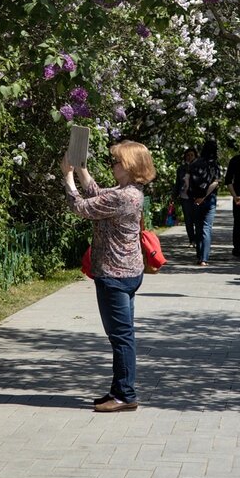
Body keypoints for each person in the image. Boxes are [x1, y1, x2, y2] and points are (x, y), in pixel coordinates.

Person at [61, 139, 156, 412]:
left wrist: (68, 178)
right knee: (122, 335)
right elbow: (97, 193)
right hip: (127, 271)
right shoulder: (130, 191)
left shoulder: (123, 197)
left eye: (115, 162)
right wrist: (80, 169)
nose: (112, 165)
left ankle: (125, 395)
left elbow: (82, 207)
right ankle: (119, 390)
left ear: (129, 166)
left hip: (115, 274)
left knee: (121, 337)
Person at [183, 139, 221, 267]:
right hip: (209, 199)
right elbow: (215, 182)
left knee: (198, 226)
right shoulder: (214, 164)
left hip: (195, 198)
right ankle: (204, 258)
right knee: (206, 227)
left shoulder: (195, 163)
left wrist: (191, 192)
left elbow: (186, 178)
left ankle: (199, 255)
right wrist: (204, 196)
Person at [173, 146, 197, 246]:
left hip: (196, 197)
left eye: (192, 155)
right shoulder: (181, 168)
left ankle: (198, 239)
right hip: (185, 197)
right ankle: (192, 240)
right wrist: (174, 195)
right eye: (188, 155)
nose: (190, 157)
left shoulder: (198, 167)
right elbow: (177, 183)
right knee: (188, 220)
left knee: (197, 219)